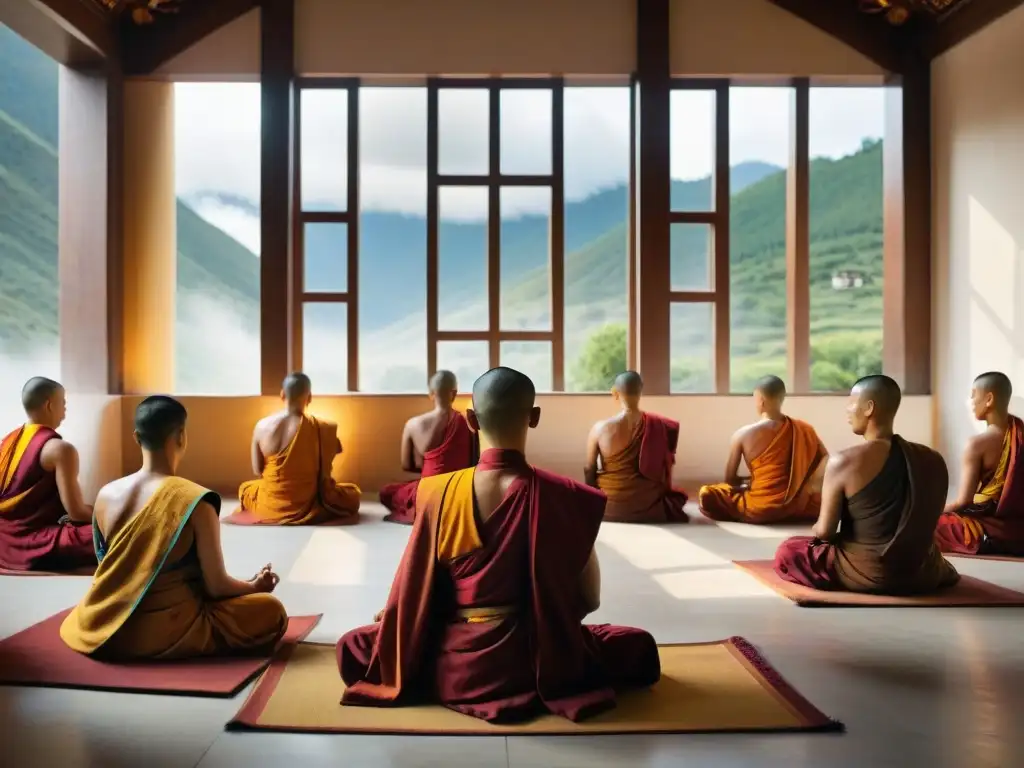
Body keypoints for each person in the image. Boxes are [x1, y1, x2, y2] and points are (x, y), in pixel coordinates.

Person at [337, 367, 660, 723]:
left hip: (453, 663)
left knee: (352, 645)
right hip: (538, 660)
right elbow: (589, 600)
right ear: (534, 418)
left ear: (471, 420)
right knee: (637, 645)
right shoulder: (565, 497)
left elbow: (415, 591)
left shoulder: (435, 492)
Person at [60, 396, 287, 659]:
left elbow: (106, 564)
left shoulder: (105, 494)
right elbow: (216, 586)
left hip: (103, 625)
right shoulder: (194, 500)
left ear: (136, 437)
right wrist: (255, 586)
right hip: (164, 627)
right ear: (181, 436)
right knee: (271, 611)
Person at [773, 375, 959, 594]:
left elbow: (826, 532)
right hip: (922, 574)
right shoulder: (932, 459)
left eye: (851, 402)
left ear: (869, 407)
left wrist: (815, 530)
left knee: (788, 550)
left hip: (866, 573)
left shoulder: (842, 462)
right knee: (935, 557)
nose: (847, 411)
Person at [698, 376, 827, 524]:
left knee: (708, 493)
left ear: (760, 400)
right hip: (797, 504)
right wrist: (809, 486)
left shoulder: (742, 434)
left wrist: (749, 482)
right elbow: (827, 459)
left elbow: (730, 480)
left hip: (760, 508)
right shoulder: (804, 429)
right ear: (782, 398)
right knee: (827, 501)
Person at [0, 377, 95, 571]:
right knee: (109, 535)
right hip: (35, 540)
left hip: (2, 540)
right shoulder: (59, 449)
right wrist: (105, 516)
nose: (65, 412)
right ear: (49, 405)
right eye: (64, 404)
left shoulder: (6, 442)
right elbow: (76, 512)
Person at [239, 372, 360, 525]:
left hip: (271, 502)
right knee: (352, 495)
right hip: (309, 503)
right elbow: (336, 451)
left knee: (246, 490)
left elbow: (257, 470)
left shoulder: (261, 426)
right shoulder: (321, 428)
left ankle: (273, 509)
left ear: (282, 395)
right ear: (309, 397)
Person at [934, 372, 1024, 556]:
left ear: (989, 399)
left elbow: (963, 501)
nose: (971, 401)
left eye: (974, 394)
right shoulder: (1020, 433)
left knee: (930, 526)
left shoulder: (977, 444)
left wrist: (931, 512)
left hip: (987, 527)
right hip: (1019, 528)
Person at [584, 371, 688, 523]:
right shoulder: (659, 426)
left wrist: (591, 504)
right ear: (640, 391)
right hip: (650, 508)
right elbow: (665, 470)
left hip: (608, 508)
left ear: (614, 393)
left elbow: (589, 470)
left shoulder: (599, 429)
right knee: (677, 500)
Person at [380, 370, 479, 525]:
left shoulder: (412, 424)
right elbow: (473, 464)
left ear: (431, 394)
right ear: (454, 393)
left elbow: (406, 465)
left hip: (428, 493)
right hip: (459, 493)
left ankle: (424, 509)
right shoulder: (469, 424)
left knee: (387, 491)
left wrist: (430, 469)